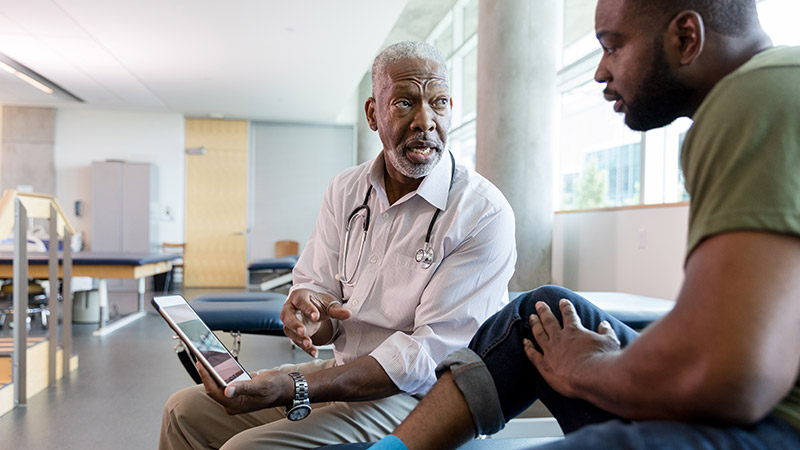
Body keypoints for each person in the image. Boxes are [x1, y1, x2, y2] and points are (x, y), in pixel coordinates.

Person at [361, 1, 800, 449]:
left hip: (779, 424)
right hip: (758, 399)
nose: (600, 72)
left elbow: (735, 378)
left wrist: (590, 370)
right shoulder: (768, 89)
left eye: (613, 47)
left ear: (686, 38)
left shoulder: (754, 98)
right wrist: (604, 363)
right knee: (541, 314)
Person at [158, 41, 517, 450]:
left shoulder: (482, 213)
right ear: (372, 114)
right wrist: (309, 313)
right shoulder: (347, 190)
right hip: (345, 376)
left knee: (246, 447)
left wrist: (295, 385)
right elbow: (319, 293)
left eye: (439, 103)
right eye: (404, 103)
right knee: (183, 412)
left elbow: (426, 358)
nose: (425, 121)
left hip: (422, 398)